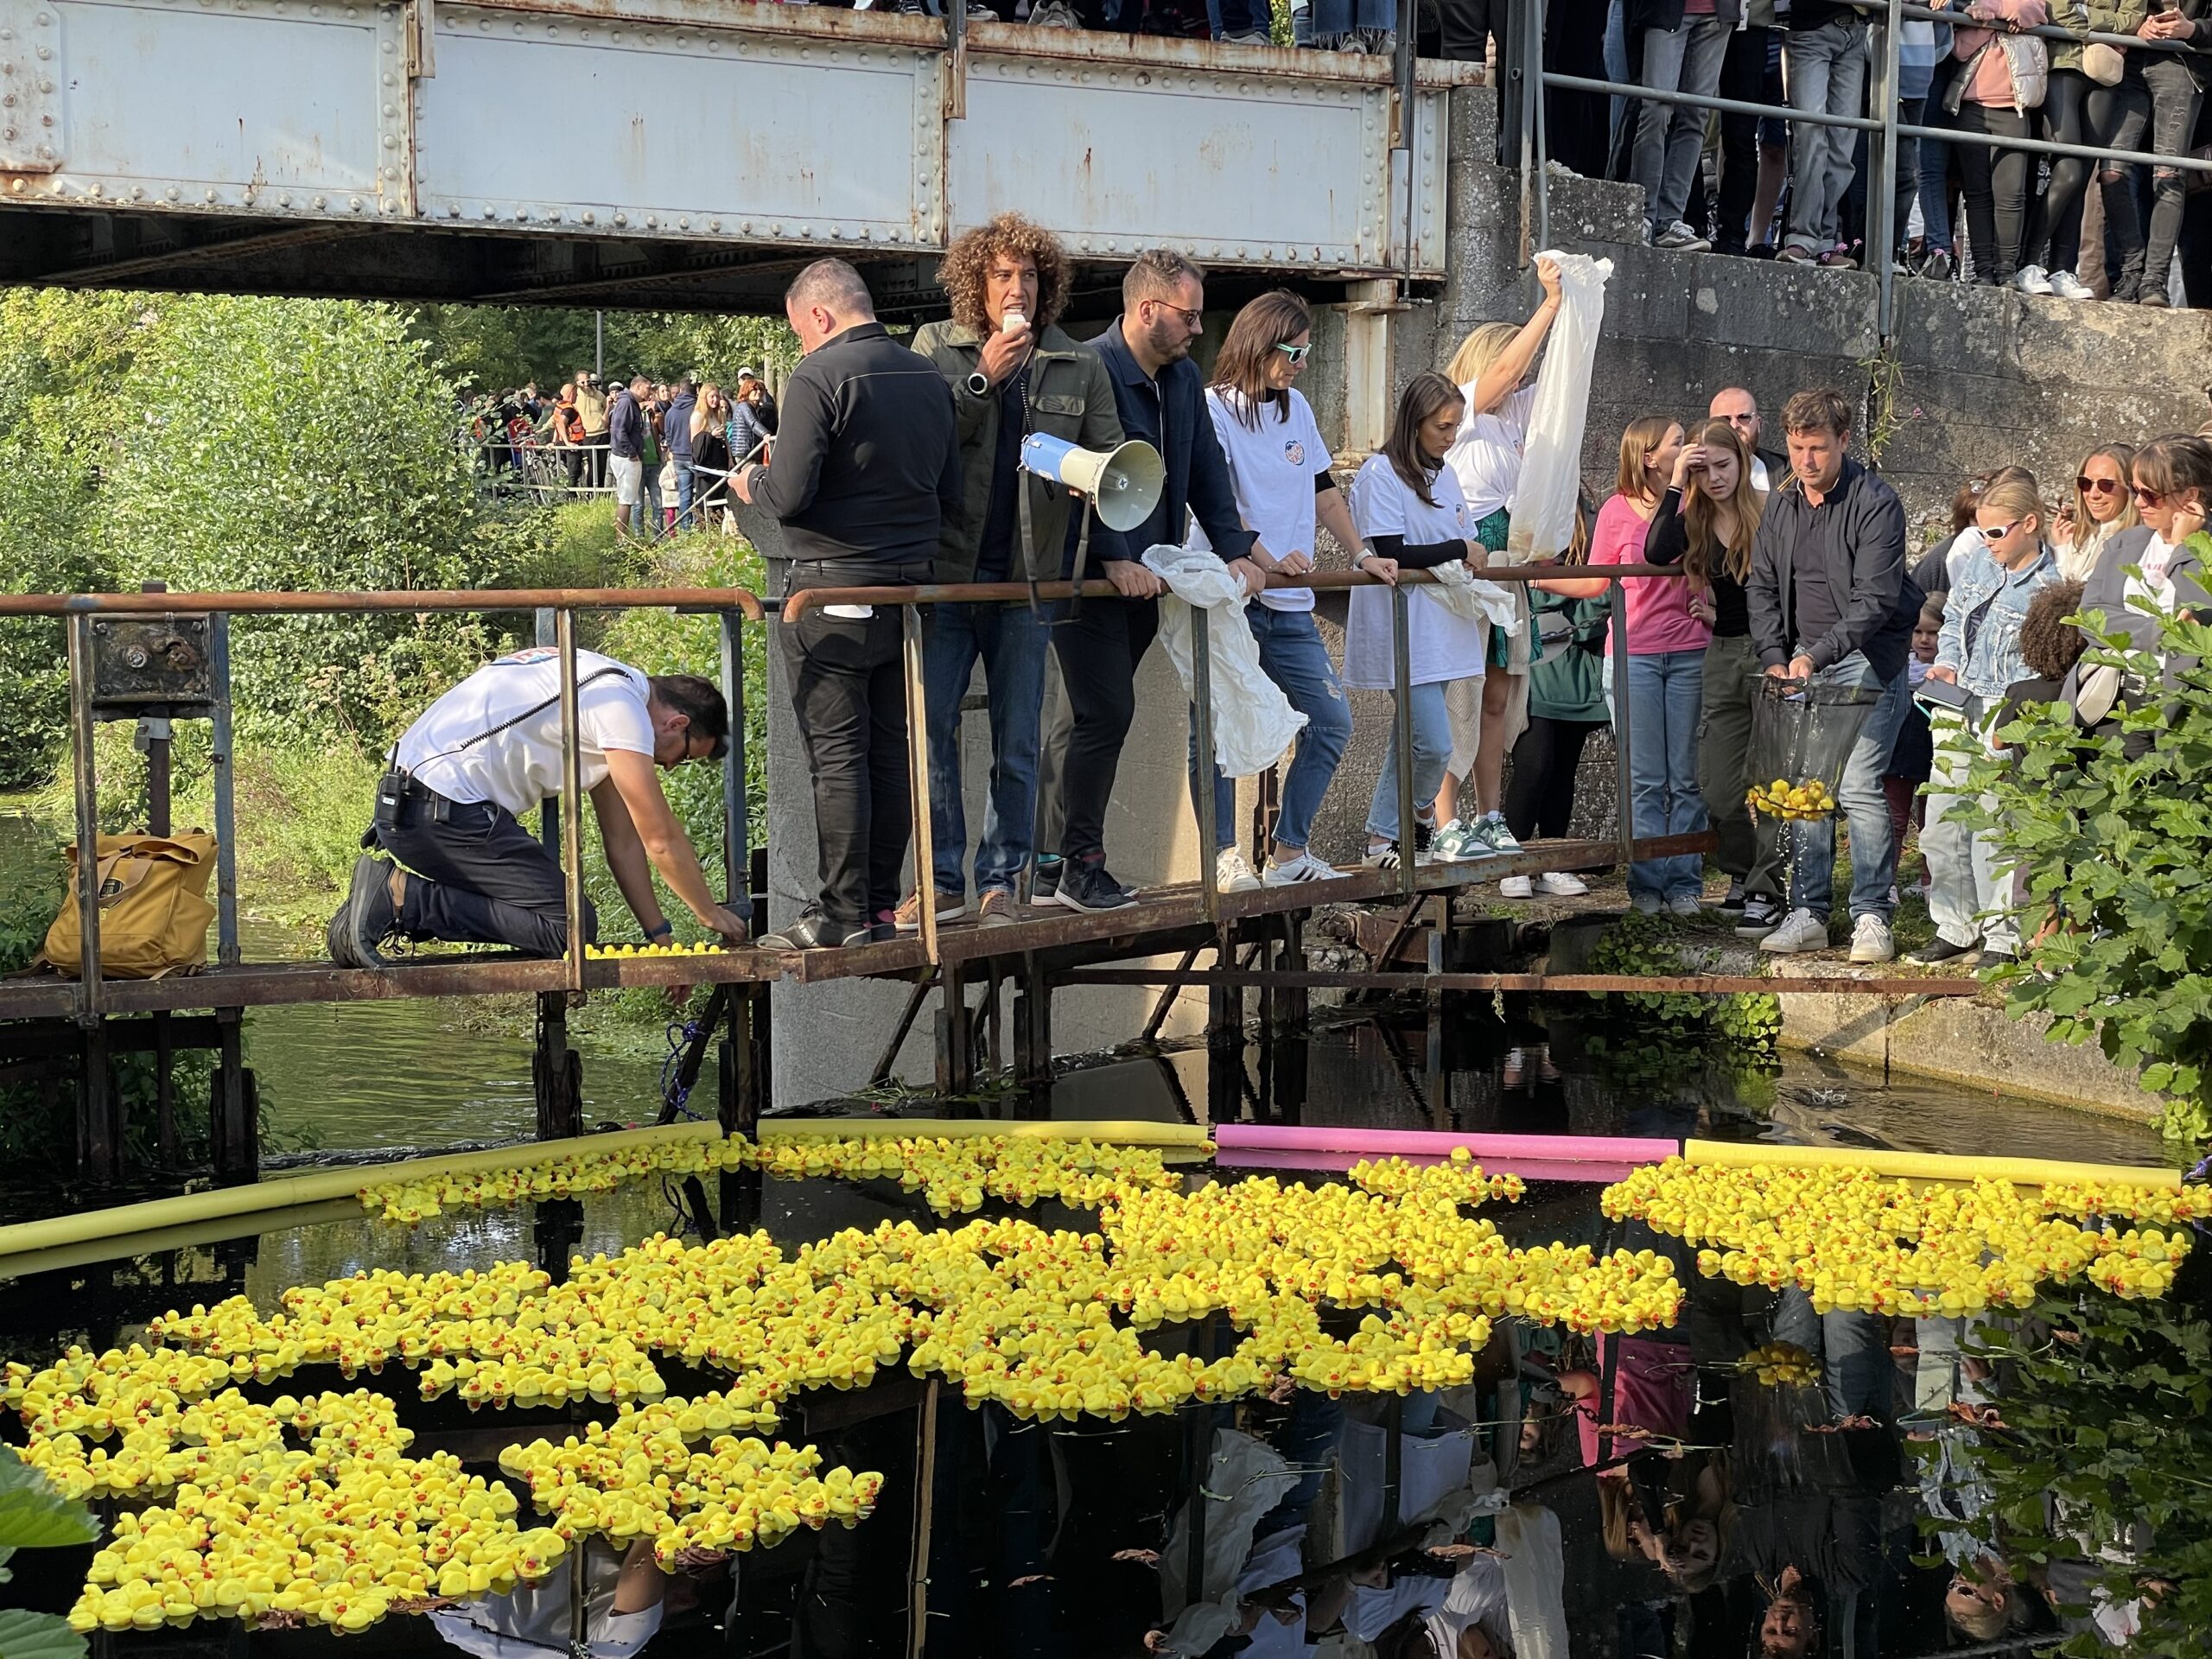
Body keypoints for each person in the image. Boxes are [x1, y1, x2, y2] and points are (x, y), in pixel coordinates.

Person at [732, 259, 963, 950]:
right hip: (907, 595)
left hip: (828, 593)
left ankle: (839, 916)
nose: (801, 341)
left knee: (838, 757)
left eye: (800, 328)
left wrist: (751, 487)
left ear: (821, 317)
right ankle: (882, 910)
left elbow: (790, 494)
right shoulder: (927, 376)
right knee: (889, 754)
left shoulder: (817, 376)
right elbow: (951, 492)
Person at [906, 213, 1122, 930]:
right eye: (1002, 274)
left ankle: (1004, 877)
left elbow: (1112, 456)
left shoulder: (1077, 361)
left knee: (1019, 735)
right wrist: (982, 379)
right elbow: (925, 445)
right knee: (931, 728)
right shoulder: (937, 346)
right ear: (976, 281)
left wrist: (1088, 477)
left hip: (1029, 580)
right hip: (947, 576)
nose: (1017, 287)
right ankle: (940, 882)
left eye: (1029, 275)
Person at [1039, 249, 1262, 915]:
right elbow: (1058, 468)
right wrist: (1112, 555)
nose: (1198, 328)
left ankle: (1052, 860)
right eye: (1188, 316)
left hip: (1150, 579)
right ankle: (1076, 866)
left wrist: (1236, 549)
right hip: (1087, 579)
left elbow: (1204, 470)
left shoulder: (1183, 378)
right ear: (1146, 311)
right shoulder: (1086, 367)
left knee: (1081, 719)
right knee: (1102, 712)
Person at [327, 646, 741, 968]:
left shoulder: (600, 686)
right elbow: (660, 839)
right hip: (443, 808)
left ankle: (386, 902)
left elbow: (625, 841)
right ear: (677, 723)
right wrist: (710, 914)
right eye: (681, 756)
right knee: (569, 929)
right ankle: (402, 898)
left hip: (413, 806)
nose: (667, 766)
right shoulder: (619, 705)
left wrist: (661, 938)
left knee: (571, 923)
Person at [1743, 388, 1920, 963]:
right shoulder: (1784, 502)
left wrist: (1815, 656)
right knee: (1805, 789)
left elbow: (1874, 600)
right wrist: (1774, 652)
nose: (1805, 462)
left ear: (1844, 441)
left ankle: (1872, 915)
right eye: (1796, 448)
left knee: (1860, 786)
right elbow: (1763, 583)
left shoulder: (1877, 502)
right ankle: (1809, 912)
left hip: (1868, 653)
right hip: (1801, 656)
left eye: (1818, 448)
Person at [1195, 291, 1360, 890]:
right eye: (1293, 350)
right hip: (1234, 599)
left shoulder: (1298, 410)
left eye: (1306, 351)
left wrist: (1363, 553)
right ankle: (1223, 858)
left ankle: (1289, 851)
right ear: (1259, 345)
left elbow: (1323, 491)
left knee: (1332, 720)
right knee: (1215, 730)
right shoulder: (1213, 408)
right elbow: (1218, 504)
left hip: (1288, 602)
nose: (1301, 362)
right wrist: (1263, 558)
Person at [1433, 259, 1566, 861]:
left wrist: (1580, 309)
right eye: (1507, 371)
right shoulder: (1456, 411)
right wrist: (1551, 304)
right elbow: (1512, 366)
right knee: (1455, 695)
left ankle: (1489, 814)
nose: (1517, 380)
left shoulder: (1511, 416)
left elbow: (1561, 382)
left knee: (1495, 697)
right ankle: (1445, 820)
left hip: (1504, 559)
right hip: (1464, 559)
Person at [1343, 372, 1491, 869]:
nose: (1450, 438)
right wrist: (1459, 550)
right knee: (1432, 741)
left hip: (1440, 624)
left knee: (1411, 737)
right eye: (1442, 427)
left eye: (1455, 427)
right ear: (1415, 422)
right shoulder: (1380, 473)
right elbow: (1391, 550)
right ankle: (1419, 818)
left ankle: (1382, 838)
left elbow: (1467, 537)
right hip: (1401, 626)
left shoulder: (1444, 473)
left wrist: (1468, 550)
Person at [1913, 467, 2058, 967]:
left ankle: (2001, 935)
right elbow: (1953, 618)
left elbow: (2048, 661)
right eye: (1982, 531)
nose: (1989, 541)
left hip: (2005, 708)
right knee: (1942, 822)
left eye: (1997, 531)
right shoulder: (1978, 561)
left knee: (1995, 827)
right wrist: (1947, 660)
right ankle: (1954, 924)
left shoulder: (2052, 583)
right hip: (1958, 699)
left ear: (2030, 524)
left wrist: (2017, 717)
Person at [1645, 416, 1773, 918]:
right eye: (1705, 470)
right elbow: (1656, 552)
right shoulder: (1695, 518)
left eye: (1724, 466)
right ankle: (1744, 871)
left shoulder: (1769, 510)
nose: (1715, 478)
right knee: (1717, 785)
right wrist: (1677, 481)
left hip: (1770, 652)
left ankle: (1765, 887)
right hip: (1721, 651)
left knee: (1770, 778)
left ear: (1742, 464)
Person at [1589, 416, 1711, 915]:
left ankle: (1684, 882)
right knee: (1643, 778)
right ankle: (1645, 885)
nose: (1689, 449)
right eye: (1678, 443)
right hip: (1634, 651)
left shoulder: (1697, 502)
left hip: (1689, 647)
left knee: (1686, 776)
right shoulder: (1616, 510)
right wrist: (1536, 578)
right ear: (1648, 456)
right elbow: (1597, 580)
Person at [1499, 498, 1606, 899]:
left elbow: (1602, 595)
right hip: (1533, 668)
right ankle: (1514, 859)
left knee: (1564, 769)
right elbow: (1520, 598)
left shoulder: (1589, 536)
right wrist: (1558, 588)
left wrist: (1559, 596)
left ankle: (1554, 861)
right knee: (1534, 765)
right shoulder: (1518, 537)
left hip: (1577, 669)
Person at [2018, 0, 2148, 302]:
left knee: (2085, 174)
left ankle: (2063, 269)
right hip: (2063, 66)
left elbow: (2132, 19)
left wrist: (2088, 17)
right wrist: (2106, 30)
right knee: (2069, 170)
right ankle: (2028, 262)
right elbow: (2059, 13)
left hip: (2105, 74)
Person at [1949, 0, 2054, 291]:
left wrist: (1991, 12)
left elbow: (2033, 10)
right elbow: (1960, 49)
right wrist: (1988, 20)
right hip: (1971, 108)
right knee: (1977, 194)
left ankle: (2007, 270)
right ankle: (1983, 270)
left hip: (2014, 109)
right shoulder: (1974, 5)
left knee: (2012, 195)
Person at [1631, 0, 1734, 251]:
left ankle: (1670, 220)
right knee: (1656, 111)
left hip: (1717, 15)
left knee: (1696, 117)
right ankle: (1642, 216)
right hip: (1668, 12)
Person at [1778, 0, 1875, 264]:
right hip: (1811, 30)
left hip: (1856, 32)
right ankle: (1802, 236)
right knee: (1811, 138)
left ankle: (1824, 240)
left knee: (1842, 146)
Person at [1885, 595, 1942, 895]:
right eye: (1918, 632)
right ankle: (1887, 882)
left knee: (1931, 820)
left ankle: (1930, 879)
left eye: (1933, 633)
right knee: (1893, 818)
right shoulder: (1897, 667)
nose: (1924, 640)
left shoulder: (1951, 674)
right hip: (1896, 753)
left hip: (1933, 754)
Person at [2052, 442, 2139, 580]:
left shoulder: (2136, 545)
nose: (2093, 494)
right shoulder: (2083, 539)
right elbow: (2064, 591)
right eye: (2085, 483)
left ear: (2130, 489)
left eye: (2106, 485)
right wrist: (2063, 548)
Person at [1707, 386, 1787, 495]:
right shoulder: (1693, 474)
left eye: (1744, 417)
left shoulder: (1787, 474)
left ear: (1759, 424)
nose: (1734, 425)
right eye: (1724, 420)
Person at [608, 374, 649, 539]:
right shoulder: (626, 403)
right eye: (648, 387)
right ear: (638, 387)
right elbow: (618, 431)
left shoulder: (629, 402)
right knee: (626, 499)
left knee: (628, 499)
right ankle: (621, 540)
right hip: (626, 458)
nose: (650, 391)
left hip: (626, 456)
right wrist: (632, 453)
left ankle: (622, 538)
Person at [690, 385, 734, 531]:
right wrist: (710, 436)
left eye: (717, 396)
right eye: (711, 397)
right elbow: (695, 445)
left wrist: (729, 457)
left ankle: (719, 527)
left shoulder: (717, 414)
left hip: (720, 461)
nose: (715, 400)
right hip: (706, 465)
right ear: (704, 398)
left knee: (721, 498)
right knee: (707, 499)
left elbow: (725, 437)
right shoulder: (697, 417)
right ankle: (705, 528)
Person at [666, 376, 697, 531]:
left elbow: (668, 435)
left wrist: (672, 449)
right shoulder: (697, 408)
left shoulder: (671, 411)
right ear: (695, 390)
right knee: (701, 492)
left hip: (678, 456)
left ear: (681, 390)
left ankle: (686, 528)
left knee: (685, 494)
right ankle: (702, 524)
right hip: (695, 455)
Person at [575, 369, 609, 489]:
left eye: (588, 381)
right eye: (582, 382)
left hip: (603, 433)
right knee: (591, 466)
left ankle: (601, 493)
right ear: (577, 383)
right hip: (588, 435)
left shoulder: (600, 395)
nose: (586, 385)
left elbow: (606, 410)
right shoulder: (576, 397)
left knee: (602, 466)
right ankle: (591, 493)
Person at [736, 367, 778, 433]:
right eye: (743, 379)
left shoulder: (764, 399)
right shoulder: (742, 405)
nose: (746, 381)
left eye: (749, 379)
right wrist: (764, 434)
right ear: (739, 382)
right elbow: (753, 423)